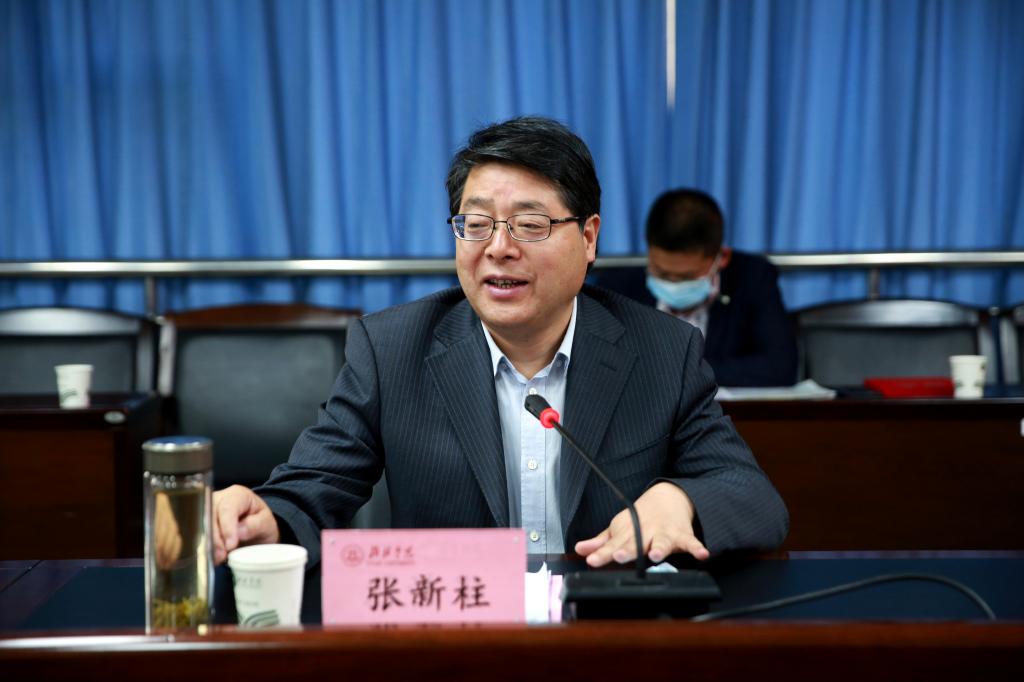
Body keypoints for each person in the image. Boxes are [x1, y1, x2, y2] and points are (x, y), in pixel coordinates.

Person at [213, 117, 788, 570]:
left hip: (606, 638)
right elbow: (313, 487)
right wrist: (266, 517)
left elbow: (754, 499)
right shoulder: (392, 350)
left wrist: (680, 500)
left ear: (588, 238)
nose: (498, 247)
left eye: (530, 225)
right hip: (454, 640)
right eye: (477, 223)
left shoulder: (662, 351)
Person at [593, 189, 798, 387]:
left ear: (722, 258)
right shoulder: (617, 287)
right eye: (662, 274)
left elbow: (780, 367)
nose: (673, 285)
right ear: (649, 250)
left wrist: (682, 373)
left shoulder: (752, 279)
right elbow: (597, 364)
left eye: (687, 277)